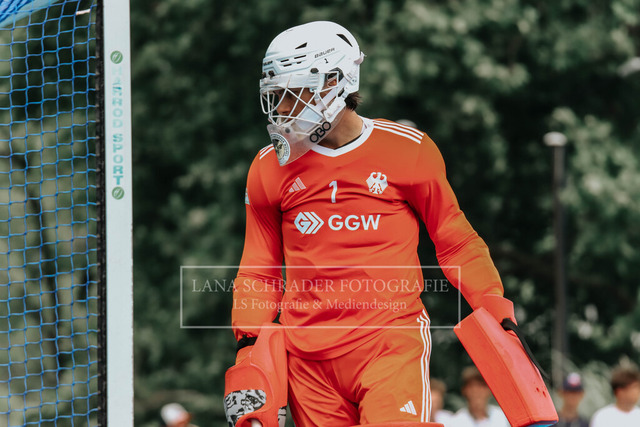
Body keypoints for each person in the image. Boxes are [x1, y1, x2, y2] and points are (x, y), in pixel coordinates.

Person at [231, 20, 516, 426]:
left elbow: (455, 241)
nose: (282, 109)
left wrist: (492, 303)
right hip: (308, 363)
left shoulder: (409, 150)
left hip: (390, 344)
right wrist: (249, 347)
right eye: (275, 96)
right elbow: (259, 270)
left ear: (335, 82)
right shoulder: (267, 168)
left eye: (293, 93)